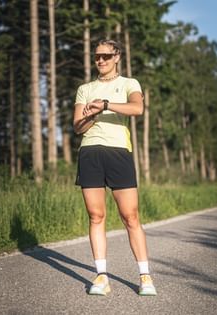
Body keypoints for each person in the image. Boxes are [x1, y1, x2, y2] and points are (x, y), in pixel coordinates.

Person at [73, 39, 157, 296]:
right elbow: (78, 126)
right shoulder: (84, 89)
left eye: (106, 56)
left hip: (119, 152)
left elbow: (137, 108)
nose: (100, 60)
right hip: (89, 152)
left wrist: (106, 105)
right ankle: (101, 277)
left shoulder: (129, 84)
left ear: (117, 56)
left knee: (130, 216)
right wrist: (92, 115)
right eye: (97, 56)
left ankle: (145, 276)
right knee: (96, 216)